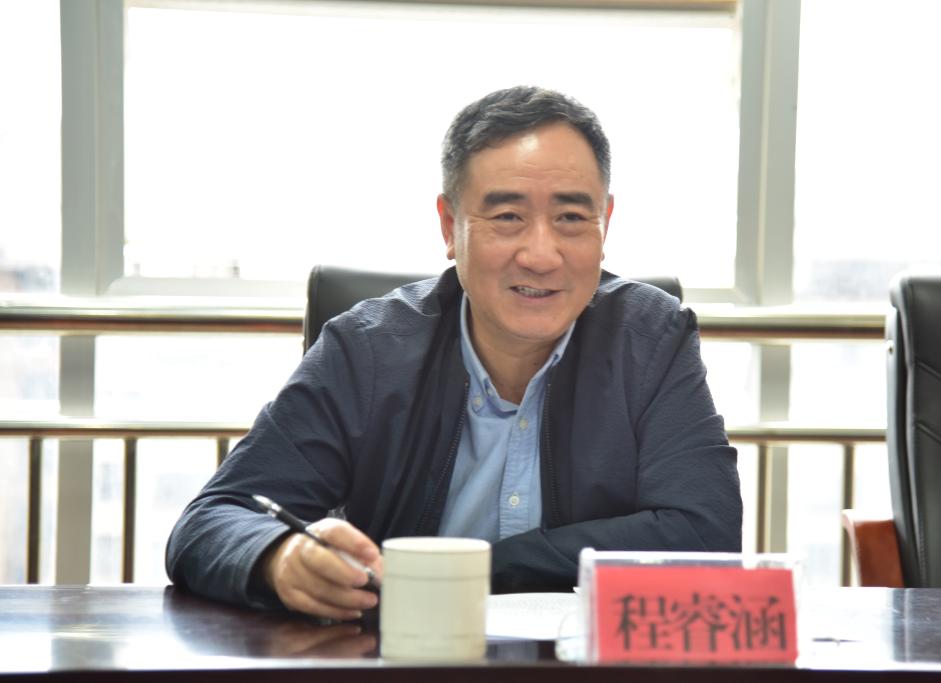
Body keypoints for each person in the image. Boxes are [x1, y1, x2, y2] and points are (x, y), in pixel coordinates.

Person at [166, 85, 742, 619]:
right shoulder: (367, 349)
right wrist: (280, 557)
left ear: (605, 222)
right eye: (508, 217)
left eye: (571, 217)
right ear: (450, 226)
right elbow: (213, 520)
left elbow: (705, 532)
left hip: (584, 663)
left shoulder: (651, 338)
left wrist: (468, 571)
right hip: (404, 656)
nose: (542, 255)